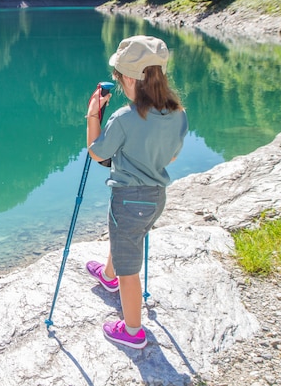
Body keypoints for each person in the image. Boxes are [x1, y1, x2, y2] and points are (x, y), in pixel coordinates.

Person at [85, 35, 188, 349]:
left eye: (118, 79)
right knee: (126, 238)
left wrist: (92, 114)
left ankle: (132, 331)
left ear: (128, 78)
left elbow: (97, 153)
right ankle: (107, 273)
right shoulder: (178, 114)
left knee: (130, 270)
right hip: (156, 198)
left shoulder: (124, 118)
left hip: (129, 199)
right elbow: (171, 156)